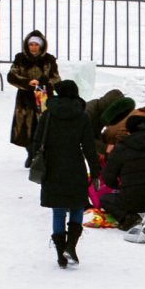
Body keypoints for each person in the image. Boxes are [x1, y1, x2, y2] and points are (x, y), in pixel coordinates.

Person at [30, 80, 100, 268]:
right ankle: (71, 246)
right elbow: (89, 148)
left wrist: (36, 161)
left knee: (58, 210)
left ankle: (61, 253)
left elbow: (36, 142)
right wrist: (95, 172)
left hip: (52, 166)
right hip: (74, 166)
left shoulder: (48, 114)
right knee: (76, 206)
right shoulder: (82, 116)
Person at [100, 115, 145, 227]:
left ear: (129, 130)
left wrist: (119, 187)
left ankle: (128, 218)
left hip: (130, 200)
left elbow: (108, 177)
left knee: (105, 199)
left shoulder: (121, 148)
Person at [8, 30, 60, 167]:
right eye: (31, 44)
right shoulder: (20, 58)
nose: (33, 47)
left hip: (44, 97)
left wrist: (46, 85)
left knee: (43, 127)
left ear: (41, 46)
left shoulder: (49, 59)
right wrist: (27, 83)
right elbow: (12, 76)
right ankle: (30, 153)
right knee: (26, 129)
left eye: (36, 44)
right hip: (25, 99)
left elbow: (55, 78)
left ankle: (40, 154)